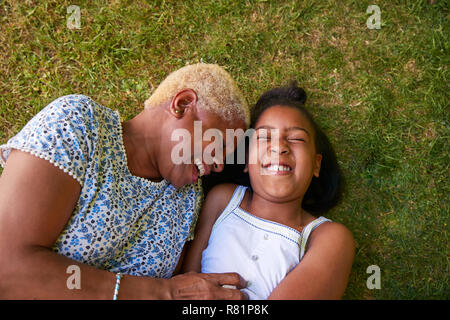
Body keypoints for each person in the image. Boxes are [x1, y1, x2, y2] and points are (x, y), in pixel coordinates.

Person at [0, 63, 250, 299]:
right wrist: (164, 293)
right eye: (220, 144)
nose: (219, 165)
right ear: (182, 104)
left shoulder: (187, 200)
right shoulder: (78, 125)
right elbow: (7, 267)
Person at [182, 83, 355, 299]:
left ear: (316, 165)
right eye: (264, 137)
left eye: (296, 138)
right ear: (246, 159)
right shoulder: (222, 199)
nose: (279, 146)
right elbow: (186, 284)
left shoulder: (327, 237)